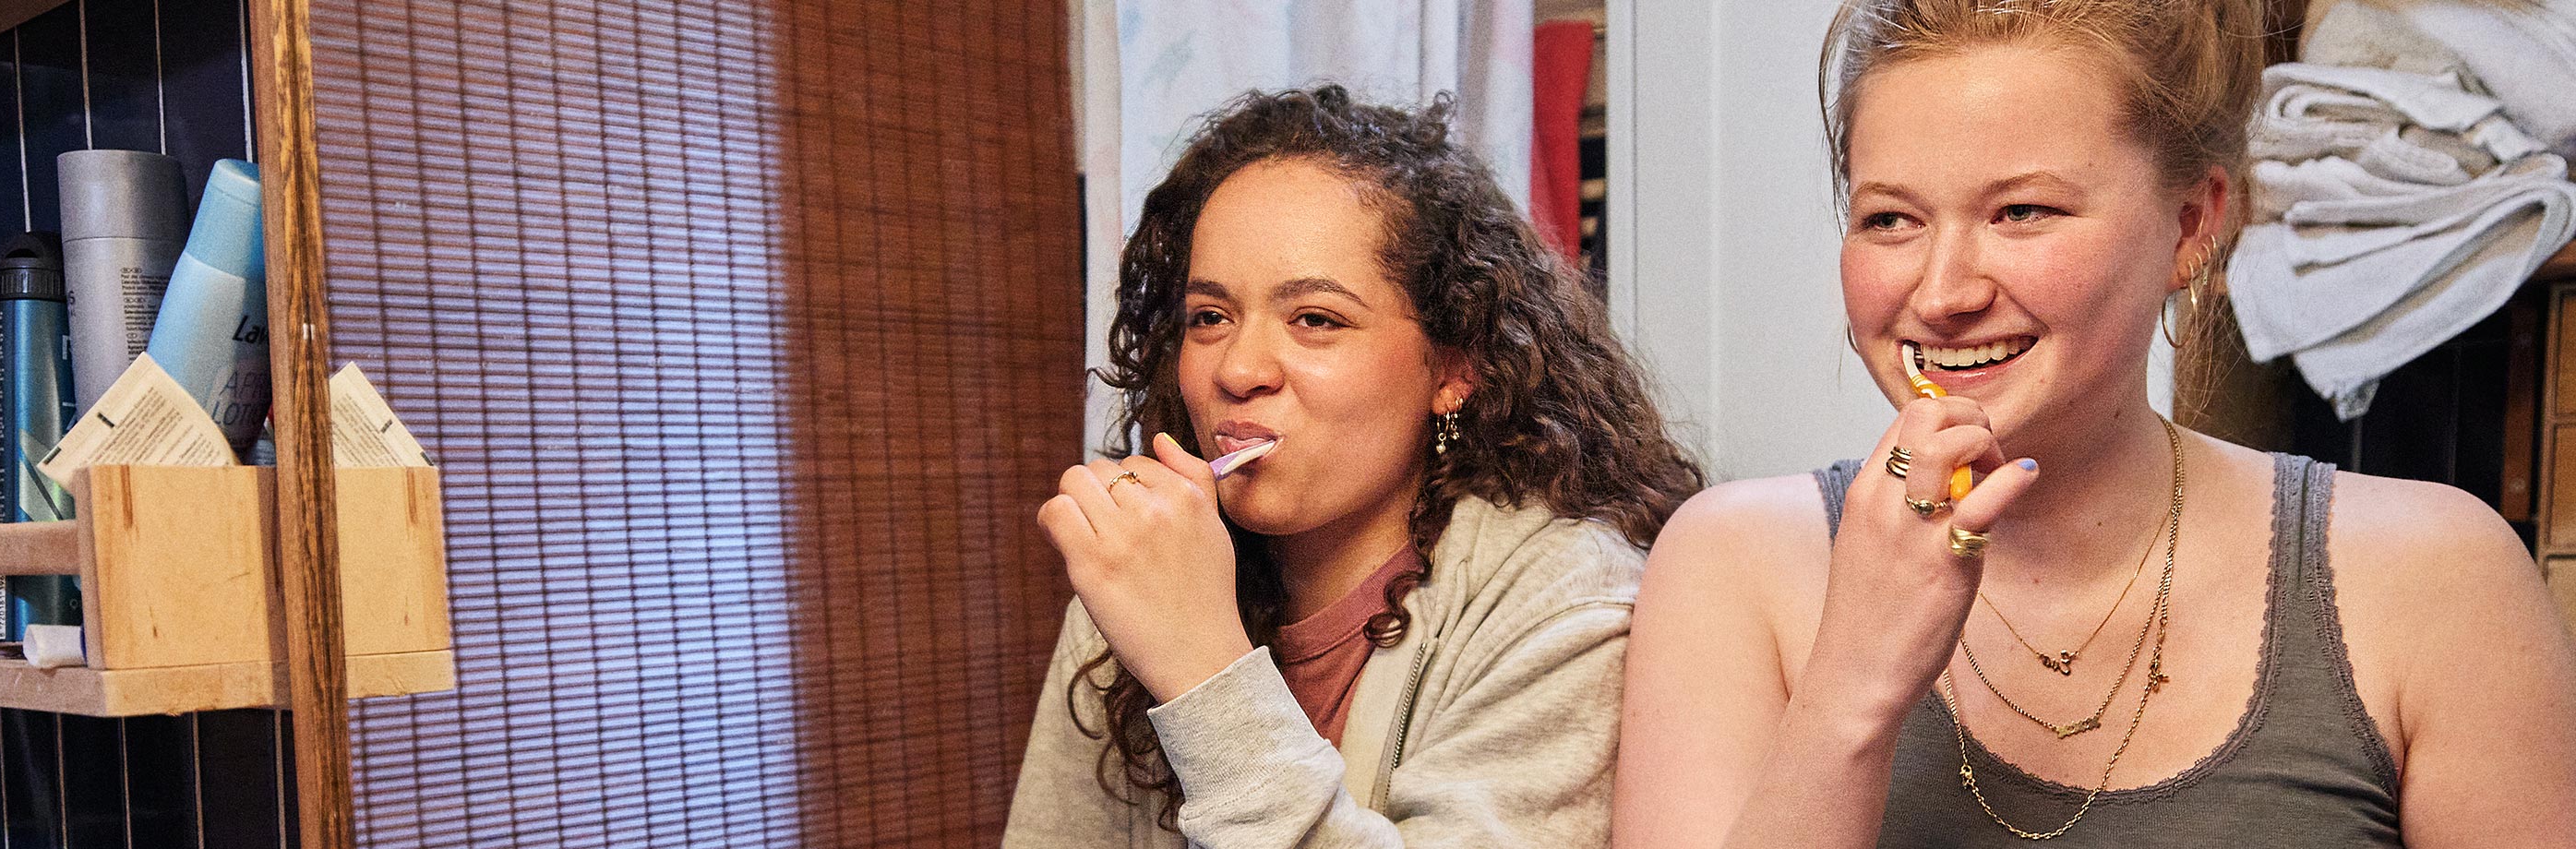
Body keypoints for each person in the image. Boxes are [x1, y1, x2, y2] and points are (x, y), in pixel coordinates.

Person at [1613, 2, 2576, 847]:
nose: (1943, 292)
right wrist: (1850, 692)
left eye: (2023, 211)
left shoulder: (2435, 579)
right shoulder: (1730, 568)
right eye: (1891, 221)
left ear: (2194, 224)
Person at [1005, 86, 1701, 848]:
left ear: (1454, 368)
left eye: (1315, 320)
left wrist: (1203, 670)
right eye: (1210, 317)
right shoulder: (1140, 574)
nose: (1237, 368)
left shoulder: (1567, 601)